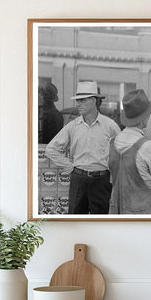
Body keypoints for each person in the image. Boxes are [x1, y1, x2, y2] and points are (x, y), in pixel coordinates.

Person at [46, 81, 120, 214]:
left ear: (93, 101)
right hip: (78, 179)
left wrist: (111, 173)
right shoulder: (73, 126)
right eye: (77, 100)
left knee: (100, 222)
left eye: (82, 100)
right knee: (75, 220)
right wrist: (71, 168)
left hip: (101, 181)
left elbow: (120, 153)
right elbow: (51, 149)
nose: (78, 104)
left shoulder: (110, 126)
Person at [108, 89, 151, 214]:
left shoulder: (112, 142)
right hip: (139, 214)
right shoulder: (148, 147)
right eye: (148, 114)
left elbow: (111, 178)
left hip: (115, 212)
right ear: (142, 119)